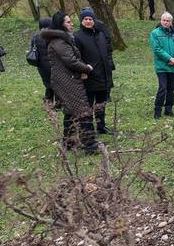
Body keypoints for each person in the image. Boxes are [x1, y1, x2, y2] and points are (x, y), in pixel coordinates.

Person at [41, 11, 98, 154]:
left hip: (68, 78)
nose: (72, 23)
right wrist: (87, 68)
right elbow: (71, 61)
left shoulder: (63, 39)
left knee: (71, 112)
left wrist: (81, 71)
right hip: (66, 81)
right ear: (61, 24)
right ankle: (90, 145)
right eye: (68, 22)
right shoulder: (59, 41)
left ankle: (68, 143)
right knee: (83, 111)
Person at [74, 9, 114, 134]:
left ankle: (101, 126)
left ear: (94, 21)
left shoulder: (100, 34)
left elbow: (107, 53)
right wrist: (82, 70)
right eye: (85, 19)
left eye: (90, 19)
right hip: (89, 77)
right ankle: (88, 129)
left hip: (103, 75)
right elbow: (76, 57)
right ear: (81, 21)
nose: (88, 21)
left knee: (101, 105)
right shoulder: (77, 37)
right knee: (89, 106)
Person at [149, 11, 174, 119]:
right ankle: (157, 109)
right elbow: (157, 49)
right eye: (164, 20)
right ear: (161, 20)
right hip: (162, 66)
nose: (165, 22)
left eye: (168, 21)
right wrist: (169, 58)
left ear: (171, 22)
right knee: (162, 88)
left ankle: (168, 109)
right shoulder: (155, 33)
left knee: (171, 88)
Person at [30, 17, 54, 104]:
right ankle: (54, 102)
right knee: (55, 83)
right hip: (52, 63)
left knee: (48, 83)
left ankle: (48, 100)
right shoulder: (52, 36)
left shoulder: (35, 37)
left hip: (41, 65)